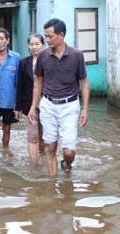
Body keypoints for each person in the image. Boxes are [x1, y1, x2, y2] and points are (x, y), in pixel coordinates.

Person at [28, 18, 90, 177]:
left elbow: (84, 83)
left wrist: (85, 109)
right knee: (50, 147)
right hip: (48, 104)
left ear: (61, 35)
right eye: (45, 36)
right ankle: (52, 186)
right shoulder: (43, 55)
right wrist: (33, 107)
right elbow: (38, 82)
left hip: (70, 105)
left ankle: (67, 163)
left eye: (50, 36)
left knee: (68, 151)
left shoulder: (77, 55)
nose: (47, 40)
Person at [15, 33, 46, 165]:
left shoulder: (49, 60)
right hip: (29, 104)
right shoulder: (23, 62)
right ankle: (34, 164)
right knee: (32, 136)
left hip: (47, 104)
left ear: (43, 45)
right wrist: (17, 108)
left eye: (37, 44)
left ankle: (44, 158)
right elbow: (20, 85)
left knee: (44, 136)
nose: (34, 47)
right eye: (31, 44)